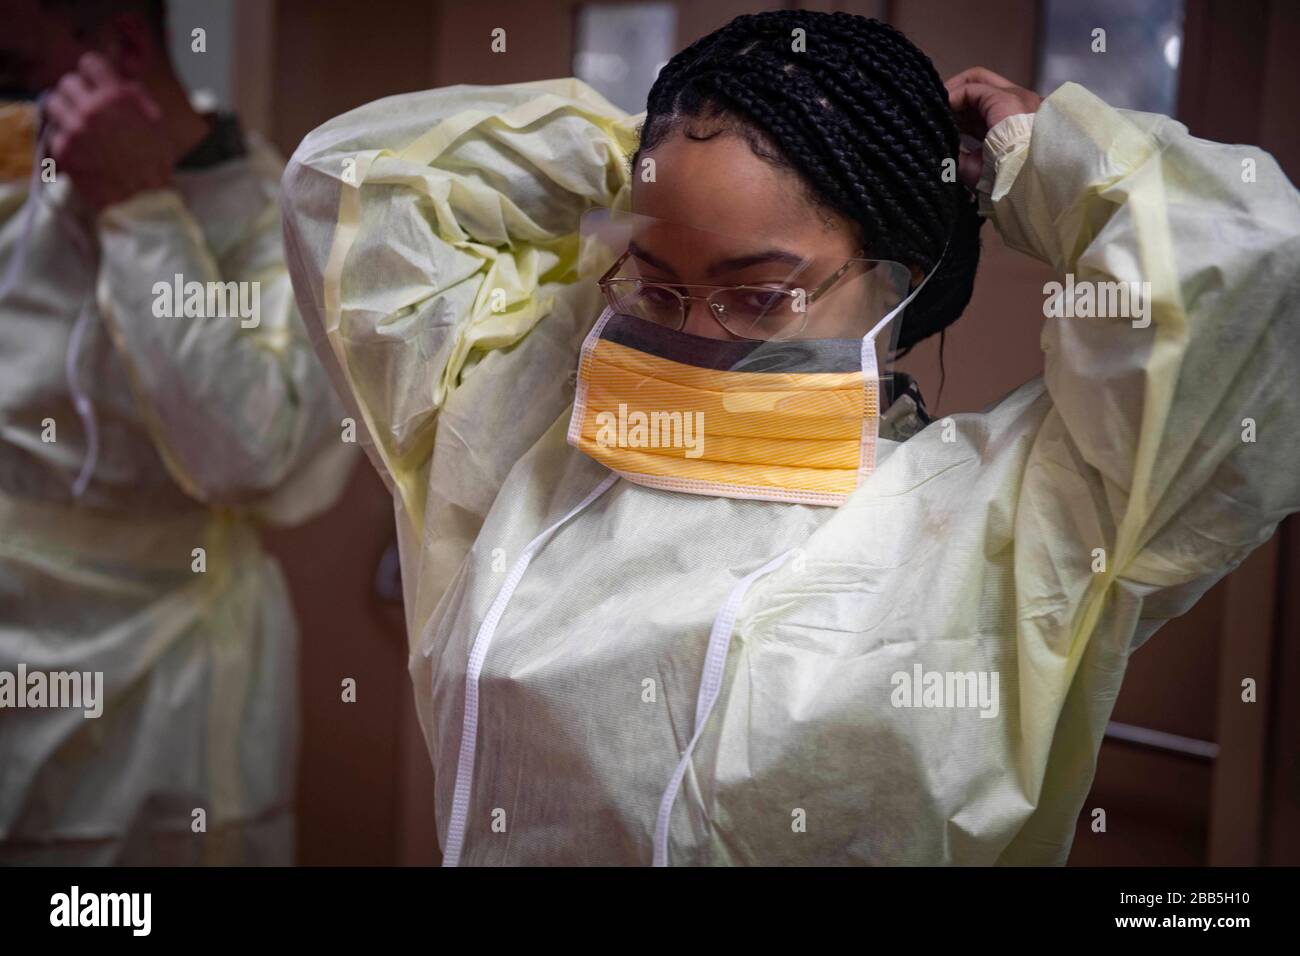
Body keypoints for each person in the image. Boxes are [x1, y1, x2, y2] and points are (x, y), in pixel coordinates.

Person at [280, 10, 1300, 864]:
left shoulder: (1009, 521)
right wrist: (656, 148)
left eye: (757, 294)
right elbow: (352, 185)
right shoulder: (520, 441)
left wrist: (1034, 159)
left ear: (899, 283)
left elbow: (1250, 262)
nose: (689, 336)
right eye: (656, 285)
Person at [0, 0, 355, 864]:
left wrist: (143, 215)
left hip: (176, 676)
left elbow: (247, 455)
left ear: (111, 48)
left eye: (17, 71)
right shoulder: (21, 183)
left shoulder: (290, 227)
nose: (12, 103)